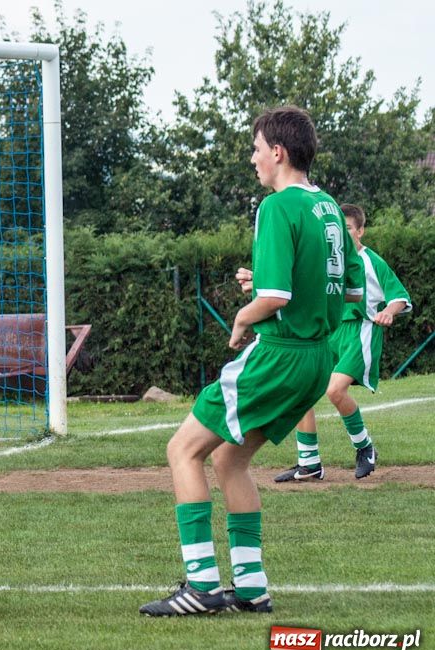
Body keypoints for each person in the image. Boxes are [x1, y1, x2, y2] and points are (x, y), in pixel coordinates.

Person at [139, 106, 363, 617]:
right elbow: (348, 290)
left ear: (278, 152)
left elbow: (276, 299)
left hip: (279, 354)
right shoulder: (329, 208)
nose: (253, 158)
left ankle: (200, 586)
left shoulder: (276, 207)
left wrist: (244, 317)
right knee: (229, 460)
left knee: (183, 451)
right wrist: (262, 288)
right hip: (317, 357)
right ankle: (252, 588)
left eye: (257, 148)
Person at [274, 204, 411, 482]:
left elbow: (398, 296)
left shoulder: (371, 261)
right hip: (330, 331)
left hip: (360, 332)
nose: (343, 234)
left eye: (348, 228)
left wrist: (388, 311)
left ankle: (365, 448)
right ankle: (309, 462)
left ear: (360, 230)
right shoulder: (328, 262)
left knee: (335, 391)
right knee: (303, 390)